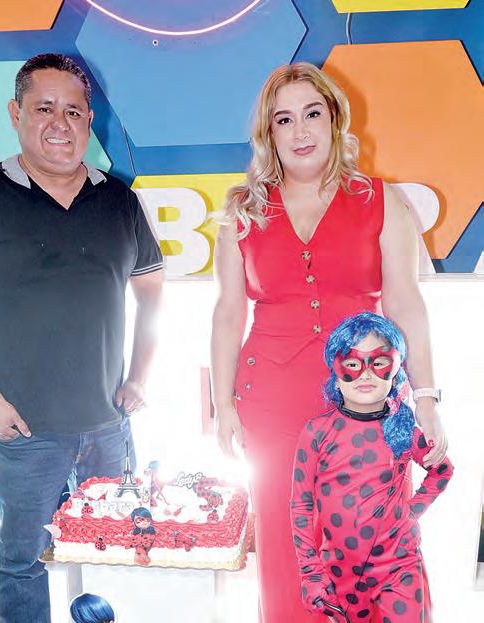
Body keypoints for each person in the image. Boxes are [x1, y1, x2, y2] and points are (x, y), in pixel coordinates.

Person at [0, 53, 163, 622]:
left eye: (74, 111)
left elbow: (152, 294)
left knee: (119, 555)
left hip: (107, 426)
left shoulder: (118, 201)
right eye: (44, 108)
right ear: (16, 113)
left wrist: (139, 378)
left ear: (89, 121)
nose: (60, 123)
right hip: (24, 430)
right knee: (21, 562)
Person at [210, 62, 447, 622]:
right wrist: (223, 405)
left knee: (373, 543)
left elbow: (405, 304)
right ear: (268, 134)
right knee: (287, 545)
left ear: (335, 119)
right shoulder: (243, 209)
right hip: (271, 405)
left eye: (312, 113)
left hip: (366, 403)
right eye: (283, 119)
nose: (300, 131)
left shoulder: (381, 201)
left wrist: (427, 398)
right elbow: (227, 313)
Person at [290, 312, 453, 623]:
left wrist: (410, 513)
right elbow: (300, 505)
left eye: (378, 363)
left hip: (399, 564)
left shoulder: (403, 431)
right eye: (353, 363)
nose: (366, 375)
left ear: (395, 369)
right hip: (342, 572)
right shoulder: (317, 433)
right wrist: (310, 572)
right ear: (335, 370)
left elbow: (442, 470)